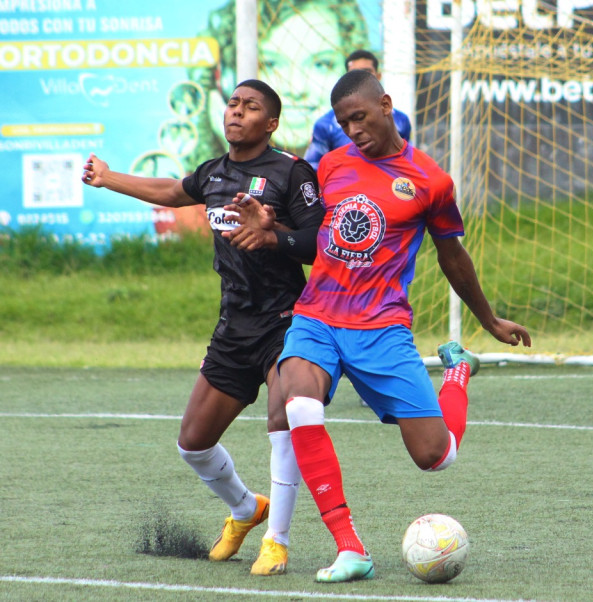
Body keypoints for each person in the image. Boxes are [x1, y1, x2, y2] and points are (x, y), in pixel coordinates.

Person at [269, 70, 531, 582]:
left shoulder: (430, 180)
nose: (353, 130)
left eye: (360, 117)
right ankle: (350, 548)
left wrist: (489, 319)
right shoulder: (331, 165)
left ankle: (457, 374)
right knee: (297, 401)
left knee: (435, 457)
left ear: (386, 105)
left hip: (381, 327)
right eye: (344, 122)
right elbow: (310, 237)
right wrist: (272, 231)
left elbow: (452, 254)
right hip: (317, 315)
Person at [81, 79, 325, 576]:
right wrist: (108, 178)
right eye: (233, 103)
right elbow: (173, 191)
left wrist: (273, 234)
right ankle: (245, 509)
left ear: (271, 122)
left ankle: (276, 542)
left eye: (251, 106)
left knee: (285, 422)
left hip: (287, 322)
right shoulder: (214, 172)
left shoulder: (292, 172)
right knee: (192, 443)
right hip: (234, 327)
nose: (237, 112)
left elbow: (320, 244)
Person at [186, 0, 370, 169]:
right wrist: (236, 144)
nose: (296, 88)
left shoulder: (369, 153)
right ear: (224, 80)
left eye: (321, 64)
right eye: (271, 65)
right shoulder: (199, 180)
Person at [304, 49, 412, 171]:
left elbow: (409, 161)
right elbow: (312, 168)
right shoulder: (325, 124)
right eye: (354, 74)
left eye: (367, 72)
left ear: (378, 76)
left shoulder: (401, 120)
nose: (353, 131)